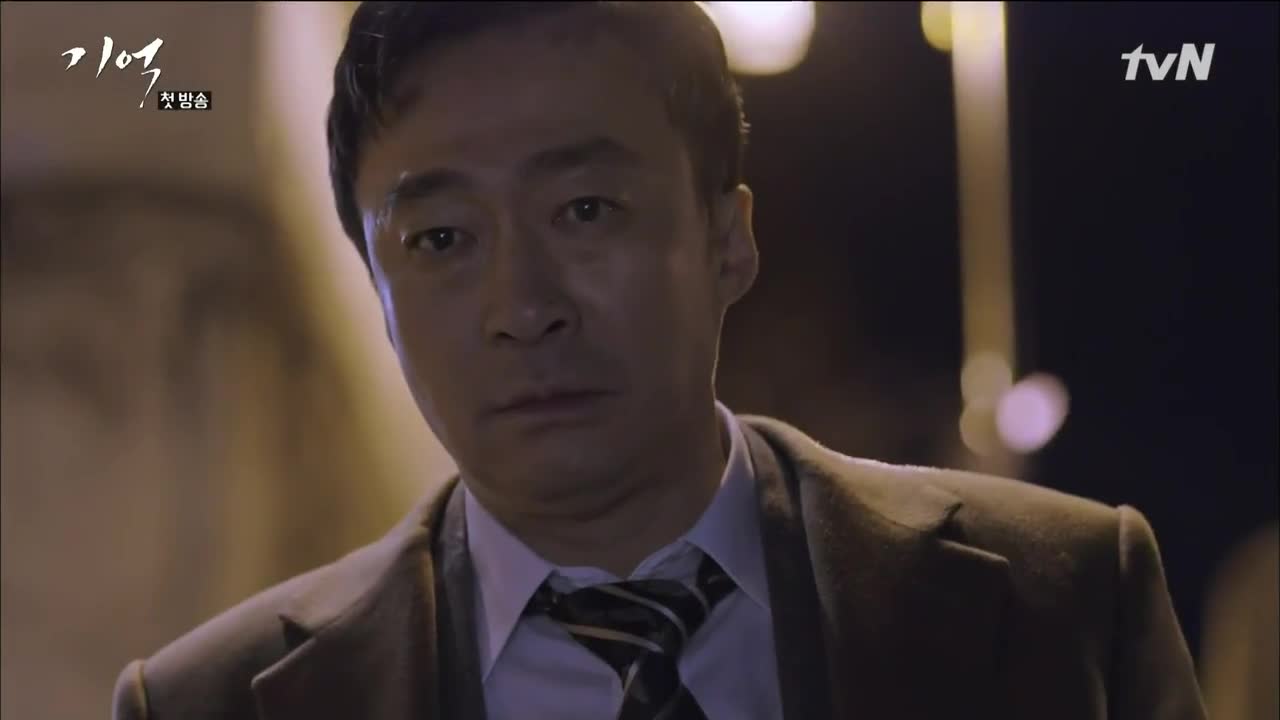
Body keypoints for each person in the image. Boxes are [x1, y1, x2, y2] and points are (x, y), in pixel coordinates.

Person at [112, 2, 1207, 718]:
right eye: (440, 239)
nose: (522, 307)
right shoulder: (213, 704)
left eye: (586, 210)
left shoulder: (1064, 602)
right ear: (379, 291)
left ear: (728, 238)